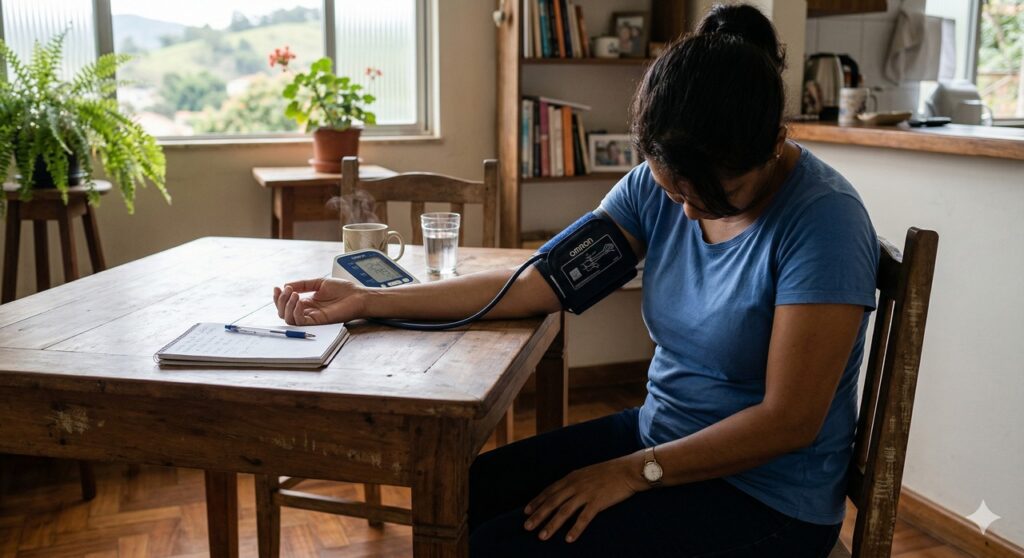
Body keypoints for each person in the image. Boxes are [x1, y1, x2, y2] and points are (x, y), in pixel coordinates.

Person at [272, 4, 878, 556]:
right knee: (465, 491)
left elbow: (788, 421)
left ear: (774, 143)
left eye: (720, 196)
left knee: (507, 547)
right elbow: (538, 282)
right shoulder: (655, 187)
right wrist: (373, 299)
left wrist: (629, 472)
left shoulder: (824, 222)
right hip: (657, 433)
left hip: (767, 499)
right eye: (676, 192)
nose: (688, 212)